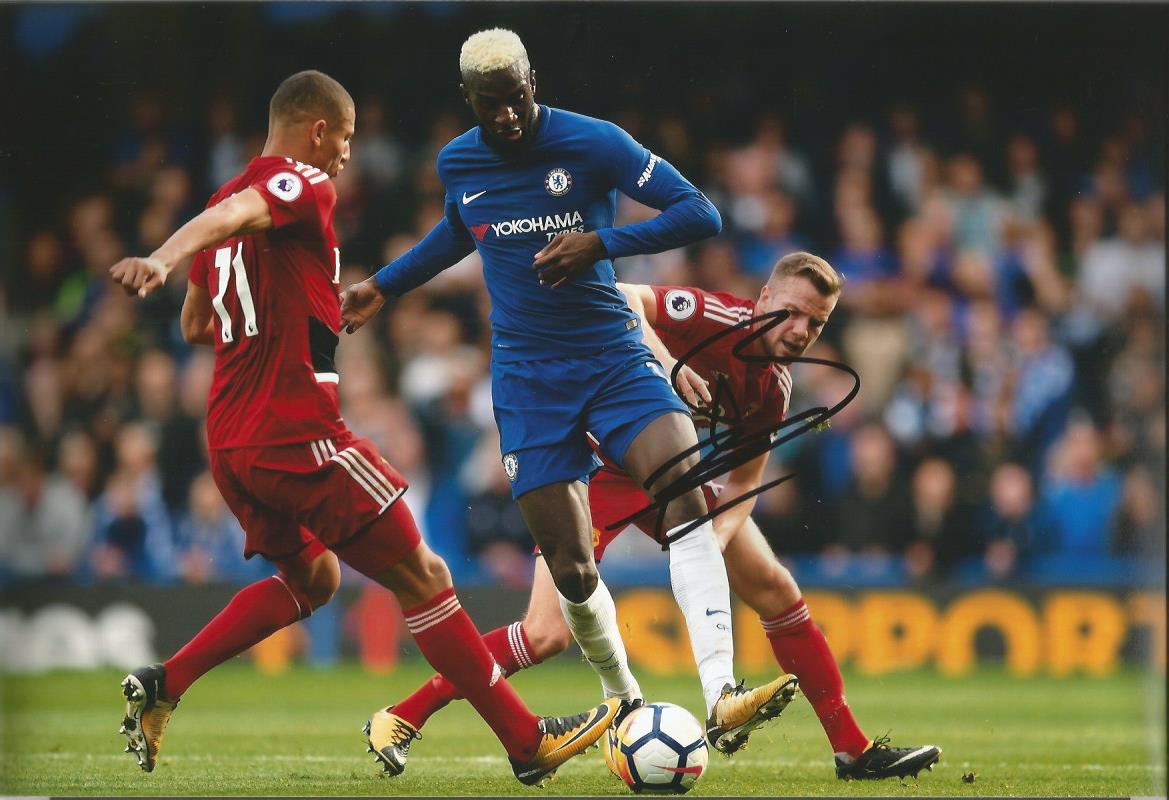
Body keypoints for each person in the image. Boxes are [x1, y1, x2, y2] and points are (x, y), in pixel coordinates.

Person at [108, 69, 619, 786]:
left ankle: (167, 681)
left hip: (229, 437)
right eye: (345, 139)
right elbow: (234, 222)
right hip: (296, 431)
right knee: (426, 575)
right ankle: (525, 741)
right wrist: (161, 259)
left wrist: (289, 313)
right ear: (317, 129)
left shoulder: (222, 196)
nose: (347, 154)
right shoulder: (298, 183)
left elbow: (200, 324)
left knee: (312, 578)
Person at [341, 28, 793, 772]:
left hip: (613, 357)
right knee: (572, 571)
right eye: (493, 108)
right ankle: (627, 700)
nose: (509, 118)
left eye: (517, 99)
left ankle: (722, 691)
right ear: (471, 104)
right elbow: (459, 232)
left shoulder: (593, 143)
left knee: (687, 501)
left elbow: (698, 213)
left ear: (532, 81)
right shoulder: (459, 162)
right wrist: (381, 288)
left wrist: (600, 243)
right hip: (527, 381)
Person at [387, 252, 943, 781]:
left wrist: (713, 537)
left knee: (775, 586)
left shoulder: (773, 389)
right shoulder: (714, 316)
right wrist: (667, 364)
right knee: (546, 633)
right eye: (791, 312)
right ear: (763, 297)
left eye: (815, 324)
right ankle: (406, 713)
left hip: (672, 481)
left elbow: (747, 483)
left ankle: (852, 748)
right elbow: (624, 297)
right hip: (595, 467)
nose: (799, 330)